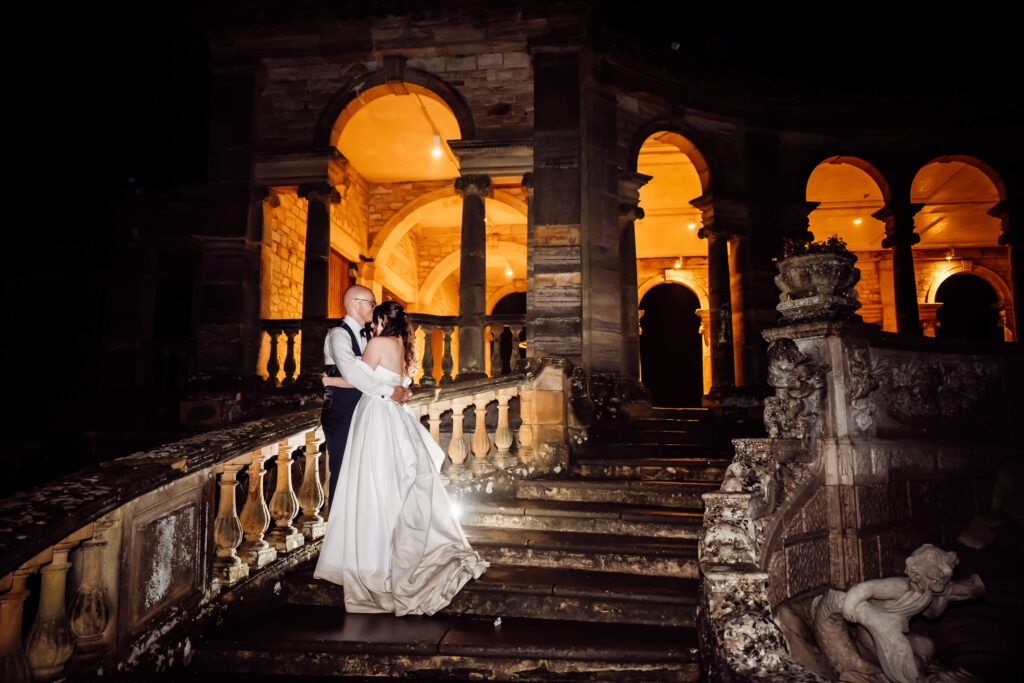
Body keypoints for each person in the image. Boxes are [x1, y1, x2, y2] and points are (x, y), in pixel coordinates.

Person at [313, 301, 488, 615]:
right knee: (397, 485)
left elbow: (356, 379)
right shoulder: (406, 346)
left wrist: (327, 381)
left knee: (372, 483)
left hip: (376, 417)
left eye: (375, 320)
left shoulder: (378, 343)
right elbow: (395, 384)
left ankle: (374, 560)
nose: (371, 326)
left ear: (382, 320)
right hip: (397, 417)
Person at [321, 285, 412, 507]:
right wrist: (392, 391)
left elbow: (379, 371)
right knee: (343, 472)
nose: (375, 307)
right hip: (342, 412)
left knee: (365, 476)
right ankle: (339, 533)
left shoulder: (373, 337)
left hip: (368, 411)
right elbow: (354, 375)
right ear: (354, 304)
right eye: (371, 303)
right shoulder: (338, 335)